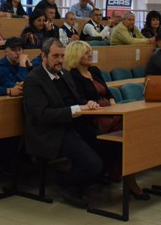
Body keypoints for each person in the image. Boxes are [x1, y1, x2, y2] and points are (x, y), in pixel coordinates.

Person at [22, 38, 103, 208]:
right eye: (55, 56)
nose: (60, 60)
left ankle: (85, 180)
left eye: (62, 56)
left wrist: (87, 103)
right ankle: (65, 182)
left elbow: (77, 99)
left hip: (71, 125)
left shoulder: (65, 74)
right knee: (93, 164)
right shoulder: (34, 80)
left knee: (108, 146)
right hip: (49, 132)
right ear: (43, 56)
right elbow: (42, 115)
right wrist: (77, 109)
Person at [64, 40, 148, 200]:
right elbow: (81, 100)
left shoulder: (94, 71)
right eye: (86, 52)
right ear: (76, 55)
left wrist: (112, 102)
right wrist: (98, 105)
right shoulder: (72, 76)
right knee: (124, 138)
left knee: (131, 130)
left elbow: (108, 92)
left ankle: (123, 176)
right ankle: (127, 180)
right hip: (93, 118)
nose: (90, 54)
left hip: (108, 112)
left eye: (90, 51)